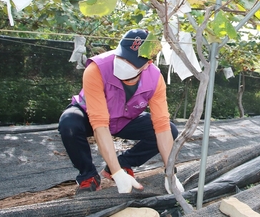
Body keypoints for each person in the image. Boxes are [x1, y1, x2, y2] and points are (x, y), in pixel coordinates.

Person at [58, 29, 184, 195]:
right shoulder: (97, 68)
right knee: (69, 124)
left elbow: (161, 126)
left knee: (170, 129)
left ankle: (121, 163)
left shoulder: (155, 79)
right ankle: (88, 175)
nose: (124, 63)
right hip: (89, 115)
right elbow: (99, 123)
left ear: (148, 63)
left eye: (132, 62)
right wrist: (119, 175)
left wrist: (170, 174)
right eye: (122, 56)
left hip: (125, 119)